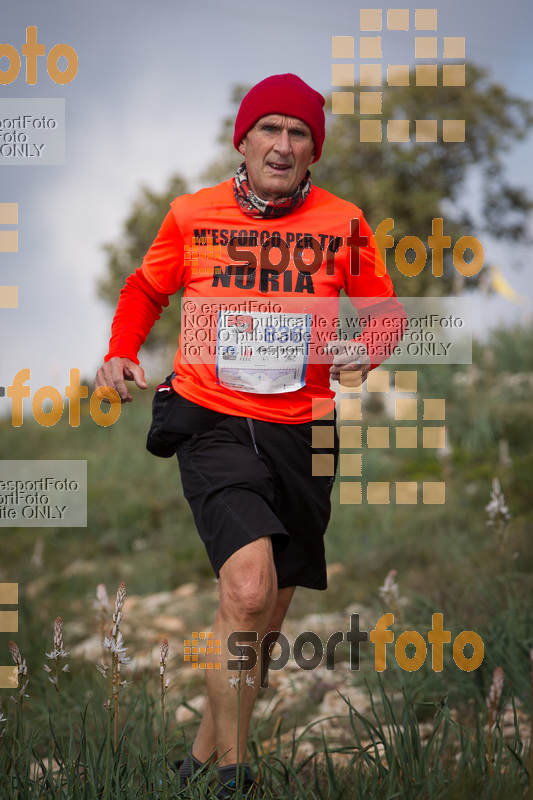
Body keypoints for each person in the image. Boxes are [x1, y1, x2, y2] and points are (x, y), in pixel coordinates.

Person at [95, 73, 406, 798]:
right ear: (243, 139)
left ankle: (199, 765)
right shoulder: (191, 214)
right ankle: (236, 779)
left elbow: (385, 308)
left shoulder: (343, 222)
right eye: (269, 128)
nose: (283, 143)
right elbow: (145, 287)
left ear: (313, 152)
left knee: (262, 621)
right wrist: (120, 348)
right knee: (244, 589)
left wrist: (372, 345)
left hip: (303, 432)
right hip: (213, 418)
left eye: (298, 133)